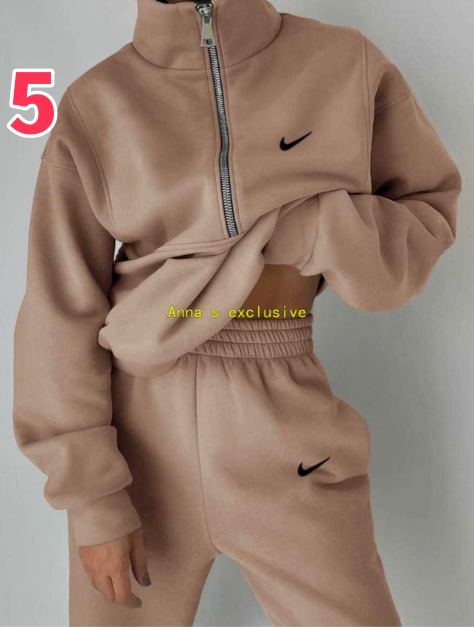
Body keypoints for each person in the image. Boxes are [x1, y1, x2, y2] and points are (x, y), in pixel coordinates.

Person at [13, 0, 462, 625]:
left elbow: (427, 215)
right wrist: (92, 499)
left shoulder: (346, 65)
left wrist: (313, 227)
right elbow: (59, 308)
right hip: (140, 436)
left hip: (287, 415)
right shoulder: (97, 102)